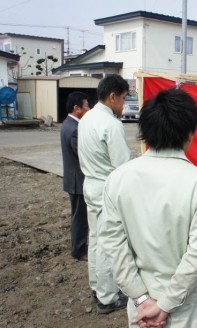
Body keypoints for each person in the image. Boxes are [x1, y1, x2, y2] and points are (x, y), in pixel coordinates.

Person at [98, 87, 197, 328]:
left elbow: (112, 243)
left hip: (140, 305)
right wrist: (164, 305)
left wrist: (142, 299)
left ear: (146, 131)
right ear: (190, 133)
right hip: (185, 306)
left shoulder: (118, 178)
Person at [78, 74, 131, 314]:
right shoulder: (111, 125)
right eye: (122, 99)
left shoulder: (87, 118)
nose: (123, 105)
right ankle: (107, 297)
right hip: (106, 188)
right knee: (109, 243)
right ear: (112, 97)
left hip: (90, 184)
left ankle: (97, 286)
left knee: (97, 239)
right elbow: (122, 166)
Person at [60, 91, 90, 262]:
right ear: (76, 108)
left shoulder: (66, 124)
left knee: (77, 215)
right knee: (80, 218)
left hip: (72, 180)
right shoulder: (74, 130)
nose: (88, 109)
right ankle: (79, 251)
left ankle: (78, 246)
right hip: (78, 181)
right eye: (85, 106)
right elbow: (82, 156)